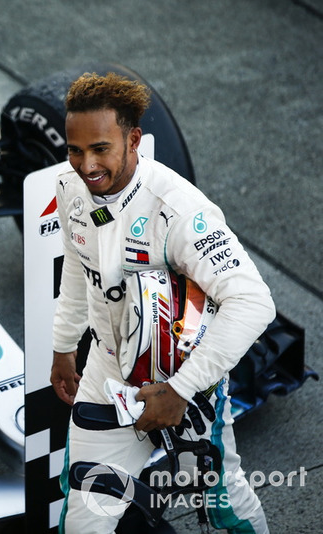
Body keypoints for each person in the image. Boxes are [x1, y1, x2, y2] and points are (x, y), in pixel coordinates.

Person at [49, 72, 273, 533]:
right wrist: (64, 344)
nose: (86, 165)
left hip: (186, 389)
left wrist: (181, 390)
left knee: (225, 505)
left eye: (100, 149)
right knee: (84, 520)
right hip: (106, 377)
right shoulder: (70, 188)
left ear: (133, 140)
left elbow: (253, 302)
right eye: (75, 149)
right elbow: (77, 262)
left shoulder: (179, 209)